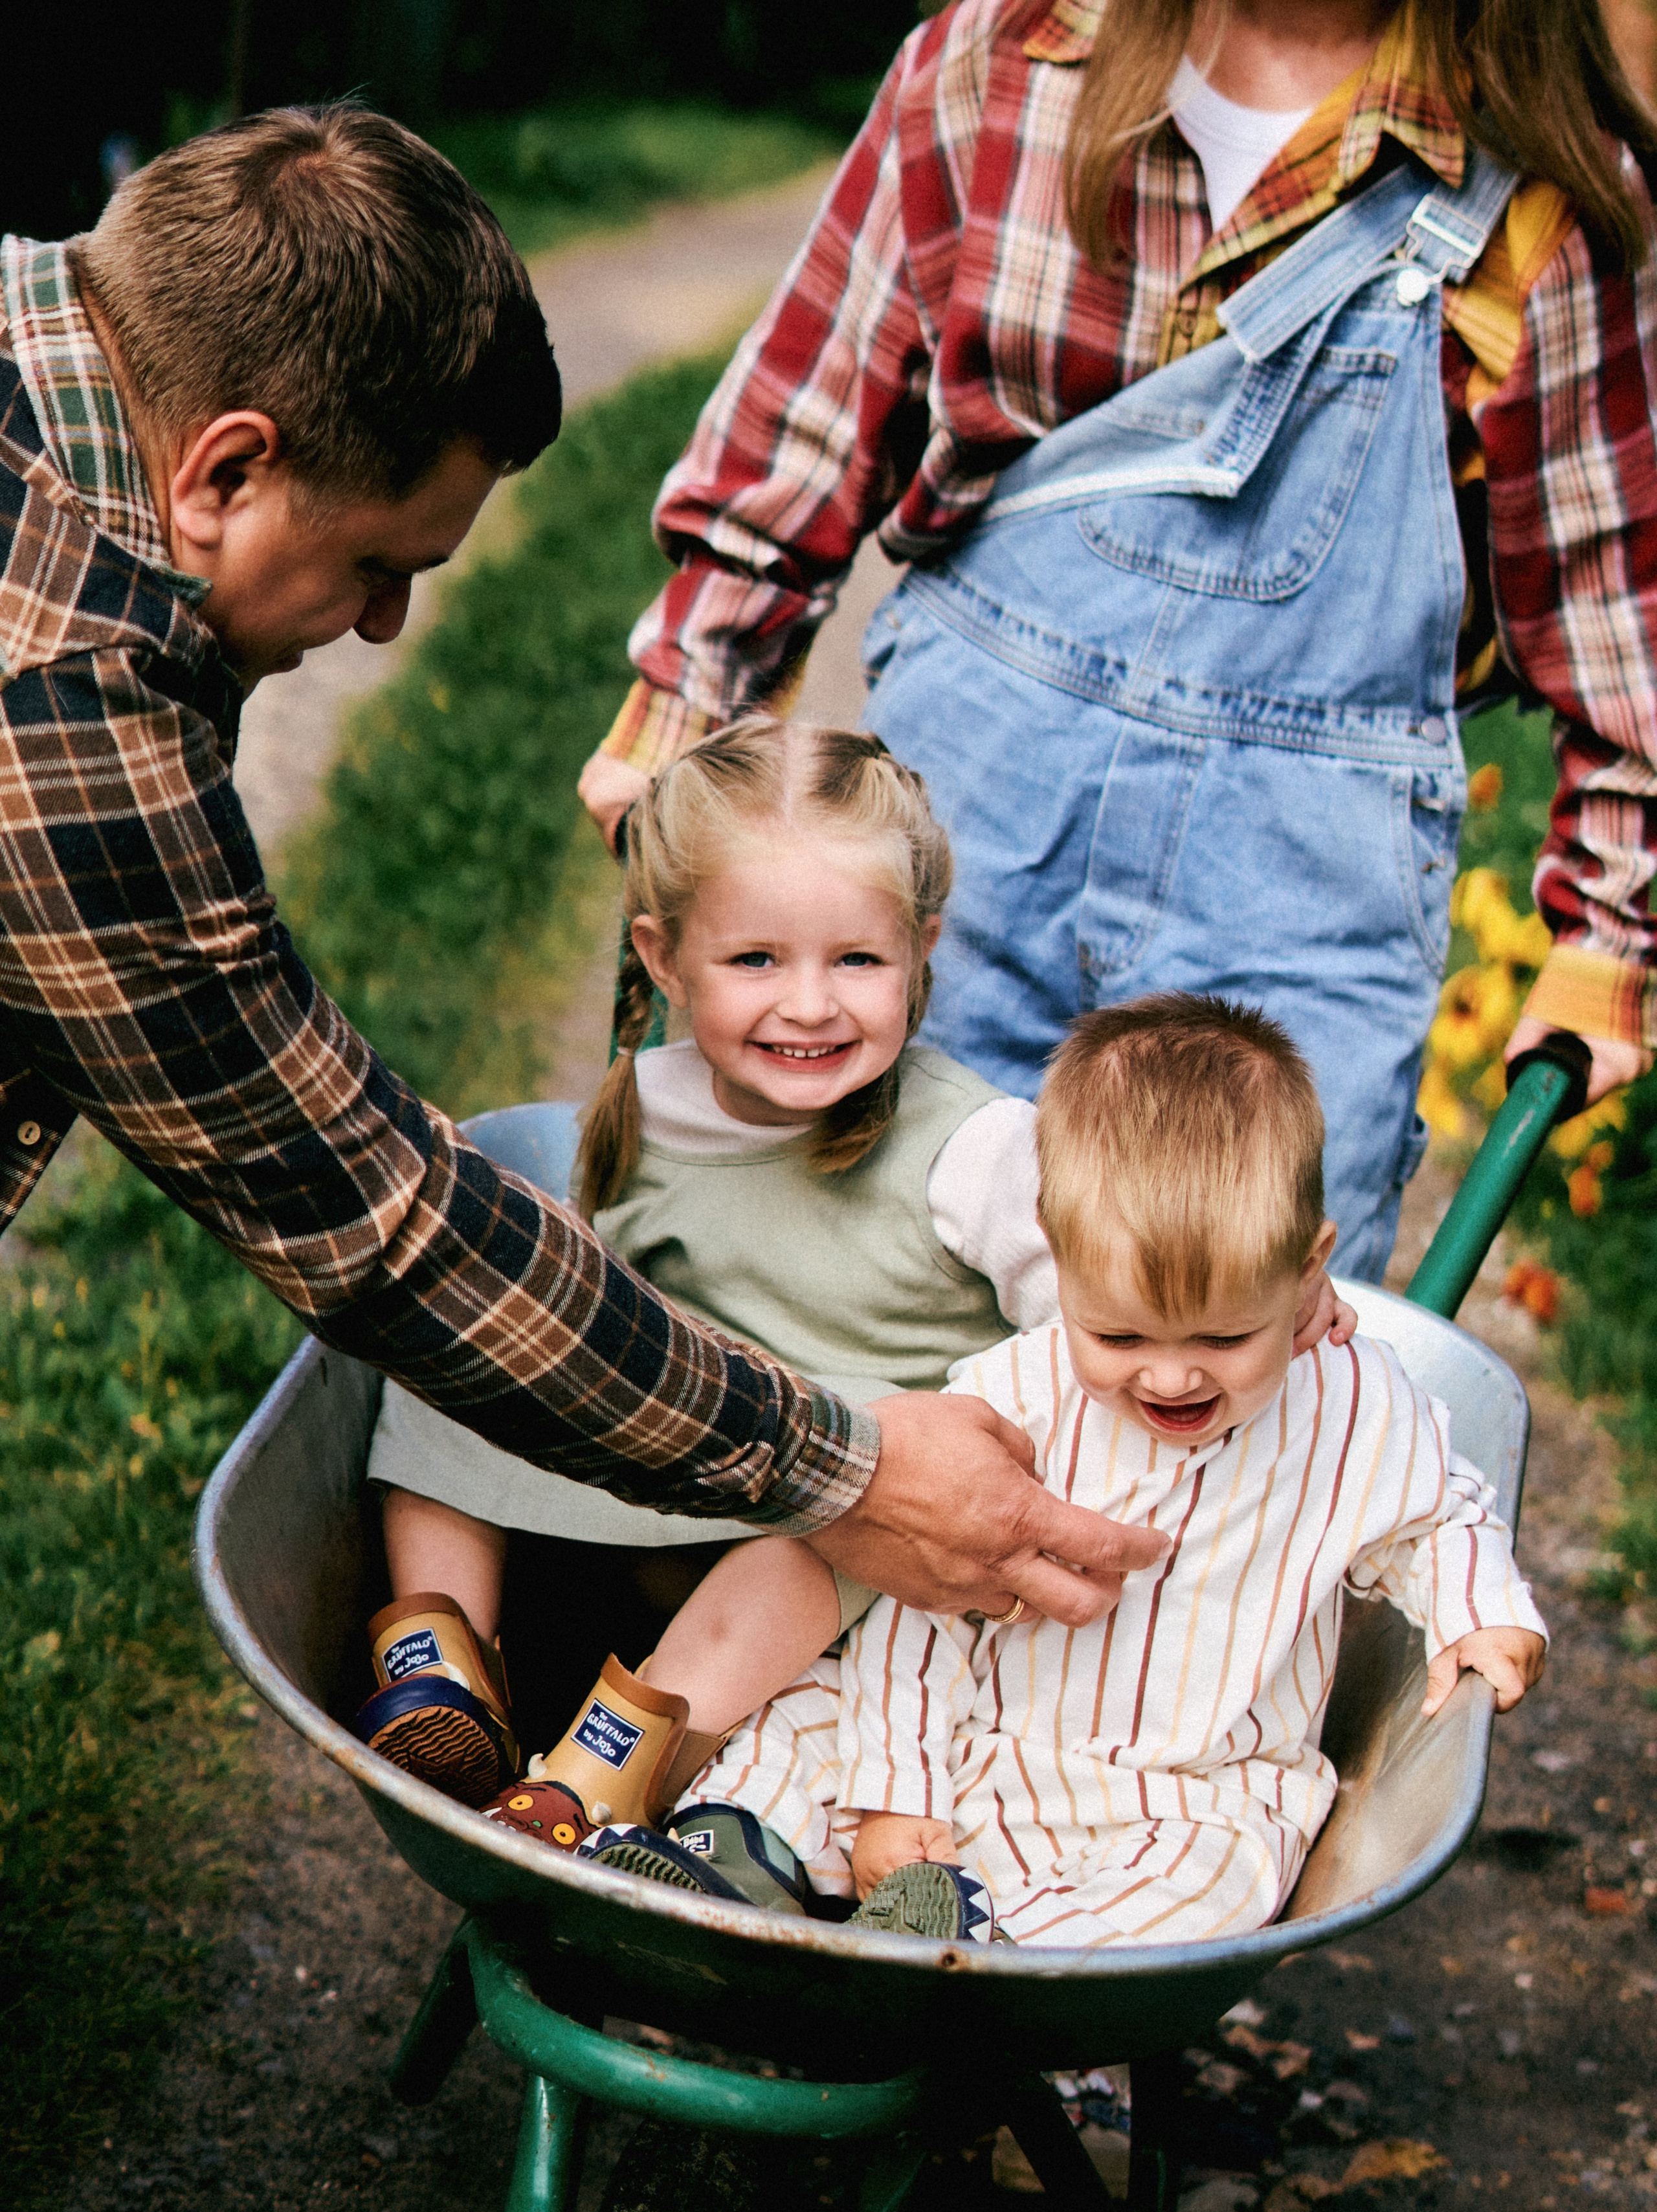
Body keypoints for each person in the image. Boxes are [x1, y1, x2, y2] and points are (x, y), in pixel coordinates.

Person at [0, 103, 1174, 1654]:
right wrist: (844, 1466)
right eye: (378, 567)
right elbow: (372, 1218)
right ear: (225, 467)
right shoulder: (63, 698)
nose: (379, 632)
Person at [577, 0, 1657, 1284]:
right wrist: (684, 710)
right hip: (966, 847)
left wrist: (1608, 933)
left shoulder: (1536, 187)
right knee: (870, 1290)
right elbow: (796, 439)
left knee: (1231, 1360)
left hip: (1296, 904)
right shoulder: (997, 69)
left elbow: (1620, 623)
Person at [359, 721, 1356, 1813]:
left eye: (858, 960)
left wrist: (1251, 1294)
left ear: (921, 952)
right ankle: (443, 1661)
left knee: (837, 1510)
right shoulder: (640, 1110)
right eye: (755, 960)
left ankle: (605, 1776)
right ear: (663, 958)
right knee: (453, 1351)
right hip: (685, 1474)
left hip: (860, 1533)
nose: (810, 1003)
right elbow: (604, 1315)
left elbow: (1121, 1306)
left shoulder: (974, 1152)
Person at [580, 995, 1546, 1943]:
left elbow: (1441, 1516)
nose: (1171, 1374)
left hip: (1193, 1793)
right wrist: (897, 1796)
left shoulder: (1357, 1409)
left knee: (1221, 1875)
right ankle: (730, 1859)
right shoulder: (1016, 1396)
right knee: (807, 1716)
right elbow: (922, 1601)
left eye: (1224, 1335)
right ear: (1060, 1258)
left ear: (1308, 1272)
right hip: (974, 1742)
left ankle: (983, 1944)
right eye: (1118, 1332)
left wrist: (1481, 1611)